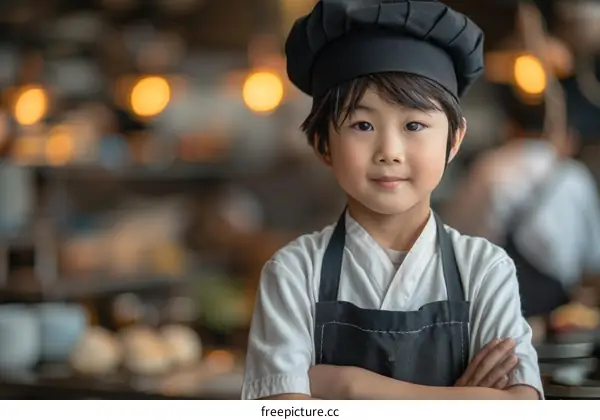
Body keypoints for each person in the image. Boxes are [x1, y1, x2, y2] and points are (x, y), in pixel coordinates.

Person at [242, 0, 542, 400]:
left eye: (414, 124)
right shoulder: (294, 273)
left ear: (453, 140)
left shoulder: (485, 270)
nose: (390, 151)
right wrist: (464, 401)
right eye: (362, 124)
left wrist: (348, 386)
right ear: (322, 143)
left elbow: (521, 408)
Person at [443, 80, 600, 319]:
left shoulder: (488, 168)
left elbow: (453, 236)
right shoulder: (573, 175)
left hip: (493, 303)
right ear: (561, 132)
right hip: (558, 312)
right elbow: (592, 257)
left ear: (509, 127)